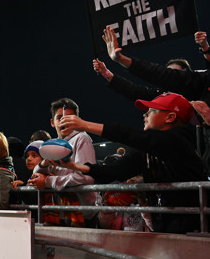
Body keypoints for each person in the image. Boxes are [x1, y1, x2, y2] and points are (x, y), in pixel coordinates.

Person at [58, 92, 207, 234]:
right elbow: (115, 171)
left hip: (196, 229)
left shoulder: (178, 142)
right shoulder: (148, 149)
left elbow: (131, 135)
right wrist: (73, 166)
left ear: (170, 117)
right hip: (166, 226)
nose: (145, 114)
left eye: (152, 110)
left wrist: (84, 125)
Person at [101, 25, 210, 176]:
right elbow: (138, 89)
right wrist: (117, 64)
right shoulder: (163, 97)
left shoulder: (197, 94)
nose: (146, 115)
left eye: (176, 74)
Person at [28, 98, 99, 228]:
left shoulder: (82, 138)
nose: (64, 121)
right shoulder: (53, 143)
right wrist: (43, 164)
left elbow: (85, 177)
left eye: (69, 117)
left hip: (81, 216)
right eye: (60, 117)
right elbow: (36, 175)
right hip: (60, 212)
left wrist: (48, 182)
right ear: (52, 122)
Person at [11, 140, 60, 225]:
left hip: (48, 224)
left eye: (34, 155)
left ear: (44, 158)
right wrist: (21, 187)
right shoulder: (32, 176)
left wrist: (22, 191)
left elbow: (34, 200)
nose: (29, 159)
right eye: (27, 156)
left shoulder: (49, 176)